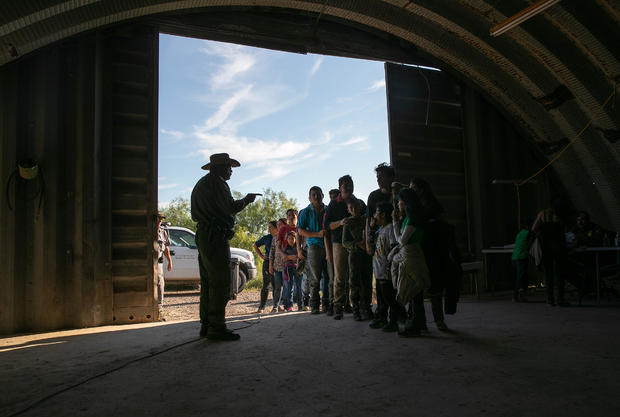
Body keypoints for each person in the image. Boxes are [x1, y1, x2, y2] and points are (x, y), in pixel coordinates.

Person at [191, 153, 258, 341]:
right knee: (220, 282)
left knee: (208, 282)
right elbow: (230, 207)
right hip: (215, 237)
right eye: (229, 167)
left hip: (204, 236)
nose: (231, 171)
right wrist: (246, 200)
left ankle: (206, 324)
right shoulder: (218, 184)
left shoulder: (201, 184)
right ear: (219, 168)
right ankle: (217, 327)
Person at [411, 177, 461, 331]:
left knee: (436, 287)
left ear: (421, 189)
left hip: (435, 251)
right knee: (422, 288)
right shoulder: (417, 207)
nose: (411, 190)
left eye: (413, 188)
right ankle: (421, 321)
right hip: (423, 250)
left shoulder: (432, 207)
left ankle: (439, 320)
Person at [390, 188, 430, 337]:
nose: (398, 204)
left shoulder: (412, 220)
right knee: (415, 291)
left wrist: (395, 223)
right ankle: (419, 324)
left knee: (413, 290)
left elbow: (401, 240)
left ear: (406, 203)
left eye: (400, 201)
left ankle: (416, 325)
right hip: (411, 254)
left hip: (411, 256)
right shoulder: (409, 218)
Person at [324, 175, 355, 320]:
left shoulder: (357, 202)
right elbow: (327, 226)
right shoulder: (333, 205)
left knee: (354, 275)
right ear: (340, 188)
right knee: (340, 276)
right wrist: (341, 222)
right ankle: (338, 307)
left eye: (350, 184)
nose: (348, 188)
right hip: (338, 243)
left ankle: (356, 306)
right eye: (345, 185)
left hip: (356, 242)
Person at [297, 186, 330, 315]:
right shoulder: (306, 212)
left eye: (318, 194)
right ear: (309, 198)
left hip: (329, 246)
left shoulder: (328, 210)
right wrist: (299, 250)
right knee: (315, 278)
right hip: (314, 246)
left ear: (323, 195)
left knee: (327, 277)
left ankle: (326, 304)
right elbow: (299, 231)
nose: (316, 196)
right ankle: (315, 305)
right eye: (313, 195)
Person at [370, 201, 401, 331]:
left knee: (389, 297)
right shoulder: (380, 229)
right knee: (382, 298)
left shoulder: (390, 229)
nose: (374, 216)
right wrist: (370, 228)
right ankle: (382, 319)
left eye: (376, 213)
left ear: (383, 214)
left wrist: (389, 265)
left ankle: (394, 321)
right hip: (378, 270)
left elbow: (395, 247)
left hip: (386, 270)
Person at [532, 199, 570, 306]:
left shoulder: (542, 214)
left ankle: (550, 299)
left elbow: (533, 229)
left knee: (548, 275)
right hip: (559, 248)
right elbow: (565, 231)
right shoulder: (560, 217)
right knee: (560, 274)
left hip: (545, 248)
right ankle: (560, 300)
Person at [342, 197, 373, 321]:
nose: (354, 209)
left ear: (361, 206)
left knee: (367, 282)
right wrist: (357, 244)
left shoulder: (366, 220)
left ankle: (366, 308)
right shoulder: (348, 223)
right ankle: (356, 309)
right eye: (351, 208)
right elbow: (344, 242)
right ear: (348, 210)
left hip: (366, 254)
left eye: (356, 206)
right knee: (354, 283)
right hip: (354, 255)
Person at [366, 163, 395, 255]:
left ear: (390, 177)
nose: (378, 180)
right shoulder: (373, 196)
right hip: (378, 238)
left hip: (396, 237)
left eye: (381, 176)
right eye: (377, 177)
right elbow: (368, 220)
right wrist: (368, 242)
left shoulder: (398, 195)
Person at [254, 220, 278, 313]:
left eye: (270, 227)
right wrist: (262, 256)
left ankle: (276, 306)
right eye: (268, 227)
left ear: (276, 228)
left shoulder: (280, 236)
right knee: (266, 285)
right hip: (267, 262)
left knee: (276, 285)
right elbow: (255, 245)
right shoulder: (266, 238)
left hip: (278, 263)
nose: (268, 229)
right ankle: (261, 306)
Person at [155, 211, 172, 320]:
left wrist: (170, 261)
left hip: (159, 262)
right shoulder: (148, 230)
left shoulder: (163, 232)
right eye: (158, 218)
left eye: (161, 218)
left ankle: (159, 311)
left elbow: (165, 248)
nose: (160, 220)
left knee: (160, 285)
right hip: (149, 262)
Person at [268, 218, 287, 312]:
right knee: (277, 287)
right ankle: (275, 306)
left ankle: (286, 305)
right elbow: (271, 252)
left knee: (287, 287)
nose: (279, 227)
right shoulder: (275, 237)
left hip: (287, 266)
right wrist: (270, 265)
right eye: (278, 225)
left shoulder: (289, 235)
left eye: (281, 225)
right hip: (276, 266)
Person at [282, 231, 302, 311]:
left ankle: (300, 305)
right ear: (286, 239)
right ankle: (289, 305)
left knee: (299, 287)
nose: (290, 240)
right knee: (289, 287)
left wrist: (289, 257)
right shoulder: (285, 248)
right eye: (289, 238)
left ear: (296, 239)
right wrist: (291, 257)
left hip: (298, 269)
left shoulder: (298, 247)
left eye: (292, 238)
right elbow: (284, 259)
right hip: (288, 270)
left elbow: (299, 257)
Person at [512, 221, 531, 303]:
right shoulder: (529, 233)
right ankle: (515, 296)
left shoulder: (519, 234)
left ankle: (520, 296)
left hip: (514, 257)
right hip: (522, 257)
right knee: (521, 278)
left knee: (520, 277)